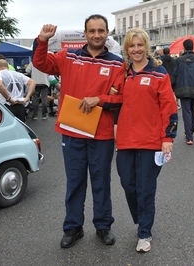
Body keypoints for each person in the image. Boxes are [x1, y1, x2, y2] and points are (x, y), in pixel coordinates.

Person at [32, 14, 125, 248]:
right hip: (72, 131)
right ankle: (73, 227)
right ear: (85, 34)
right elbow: (41, 64)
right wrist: (42, 40)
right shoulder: (68, 56)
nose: (96, 35)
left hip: (101, 134)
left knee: (101, 181)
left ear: (107, 33)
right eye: (92, 31)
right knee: (75, 181)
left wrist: (99, 99)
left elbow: (122, 98)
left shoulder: (116, 63)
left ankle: (103, 226)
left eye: (101, 31)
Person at [115, 28, 178, 252]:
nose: (136, 49)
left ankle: (144, 232)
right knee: (128, 185)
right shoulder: (122, 73)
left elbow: (169, 108)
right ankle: (141, 219)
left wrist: (168, 137)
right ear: (127, 49)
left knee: (145, 189)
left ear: (146, 46)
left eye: (140, 45)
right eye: (132, 46)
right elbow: (114, 99)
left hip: (151, 142)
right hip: (124, 141)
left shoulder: (159, 74)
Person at [171, 39, 194, 145]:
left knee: (186, 112)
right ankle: (190, 131)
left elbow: (173, 75)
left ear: (184, 47)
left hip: (182, 89)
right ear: (193, 47)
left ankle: (189, 136)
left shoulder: (178, 60)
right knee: (192, 110)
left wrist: (172, 87)